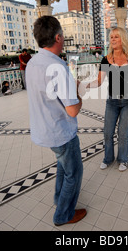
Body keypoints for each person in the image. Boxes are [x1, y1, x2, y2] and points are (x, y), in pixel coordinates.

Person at [26, 15, 86, 226]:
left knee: (62, 166)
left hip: (45, 130)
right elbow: (72, 111)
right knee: (74, 173)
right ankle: (63, 215)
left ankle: (58, 199)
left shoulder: (33, 63)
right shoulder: (58, 67)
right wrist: (79, 93)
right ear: (58, 37)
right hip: (61, 132)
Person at [83, 27, 128, 172]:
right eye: (111, 37)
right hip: (112, 101)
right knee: (107, 132)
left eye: (116, 37)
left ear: (122, 39)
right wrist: (84, 85)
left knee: (122, 133)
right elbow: (99, 81)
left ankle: (123, 160)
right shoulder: (106, 59)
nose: (113, 39)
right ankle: (108, 158)